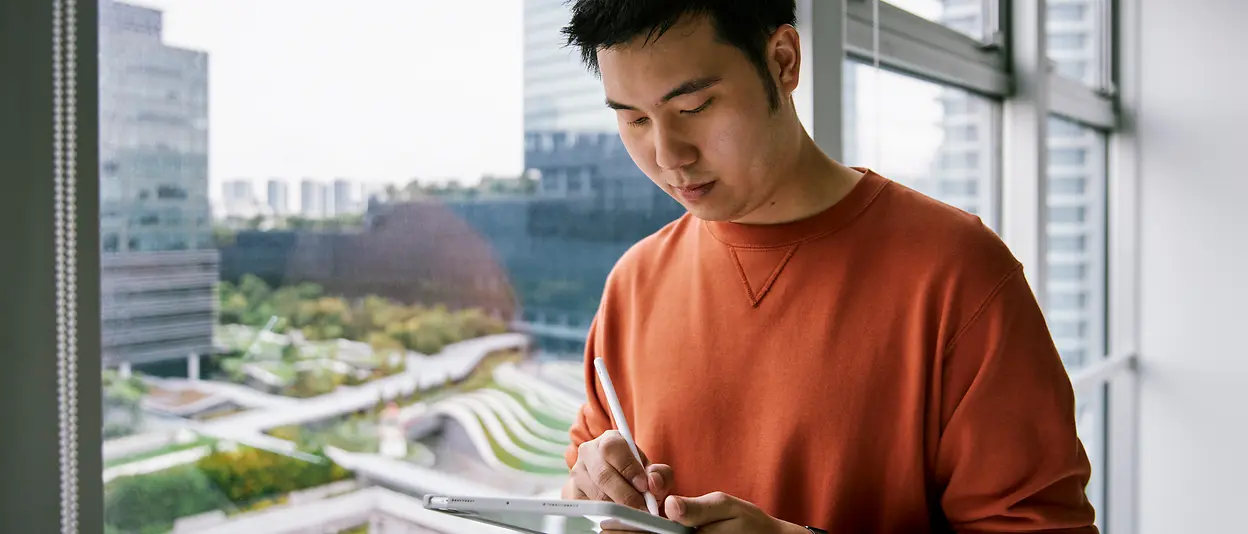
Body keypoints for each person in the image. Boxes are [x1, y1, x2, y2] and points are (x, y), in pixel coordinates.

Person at [557, 1, 1099, 533]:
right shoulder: (634, 281)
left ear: (784, 61)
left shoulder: (958, 273)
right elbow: (586, 478)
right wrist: (593, 486)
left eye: (694, 107)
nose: (668, 154)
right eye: (632, 119)